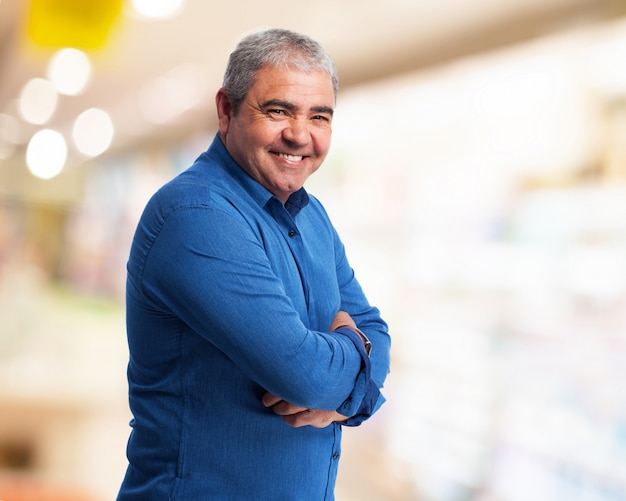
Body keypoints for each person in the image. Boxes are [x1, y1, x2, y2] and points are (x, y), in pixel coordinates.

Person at [117, 28, 391, 500]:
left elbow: (377, 334)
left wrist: (342, 378)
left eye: (319, 117)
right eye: (278, 110)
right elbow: (303, 374)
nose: (299, 135)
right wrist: (352, 358)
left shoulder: (311, 216)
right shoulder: (196, 214)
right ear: (226, 110)